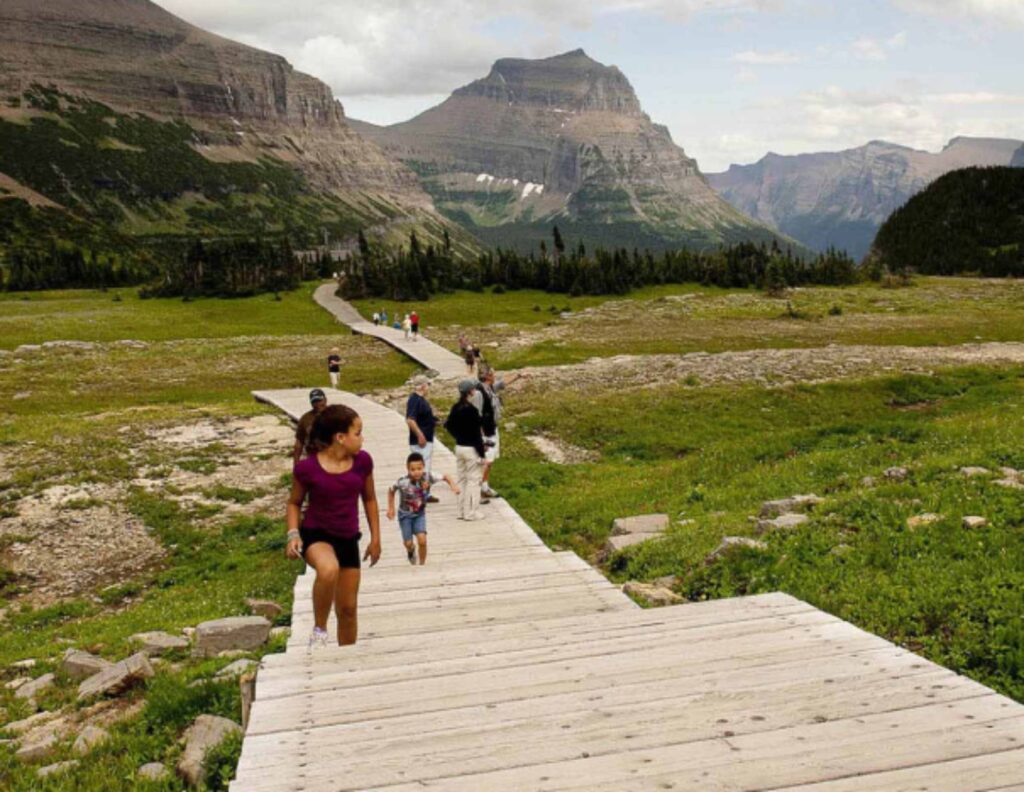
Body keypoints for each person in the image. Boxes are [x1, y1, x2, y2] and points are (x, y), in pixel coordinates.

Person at [285, 404, 381, 648]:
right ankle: (319, 630)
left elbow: (369, 499)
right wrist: (293, 534)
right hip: (316, 535)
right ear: (340, 437)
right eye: (357, 433)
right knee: (328, 570)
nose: (362, 439)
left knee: (348, 609)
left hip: (348, 538)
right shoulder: (307, 469)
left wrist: (375, 538)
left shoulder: (362, 462)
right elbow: (294, 503)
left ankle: (345, 658)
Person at [386, 452, 459, 565]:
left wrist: (453, 485)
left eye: (419, 468)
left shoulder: (428, 476)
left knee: (422, 540)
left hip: (419, 515)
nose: (416, 472)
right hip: (405, 515)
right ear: (408, 469)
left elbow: (446, 476)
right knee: (408, 543)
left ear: (423, 467)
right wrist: (391, 508)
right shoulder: (402, 481)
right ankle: (411, 551)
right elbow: (391, 490)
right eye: (413, 469)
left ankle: (422, 564)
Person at [471, 365, 523, 500]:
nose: (495, 376)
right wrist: (481, 437)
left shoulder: (490, 388)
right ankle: (479, 489)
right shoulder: (479, 393)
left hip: (492, 428)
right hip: (486, 432)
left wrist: (517, 376)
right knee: (485, 461)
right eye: (493, 374)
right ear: (487, 376)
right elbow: (476, 415)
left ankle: (485, 486)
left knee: (490, 460)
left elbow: (502, 384)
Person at [444, 379, 487, 521]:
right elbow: (476, 435)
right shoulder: (472, 411)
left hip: (459, 447)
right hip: (471, 449)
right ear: (471, 392)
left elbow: (448, 424)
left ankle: (461, 511)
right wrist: (482, 453)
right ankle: (471, 512)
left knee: (462, 479)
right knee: (474, 481)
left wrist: (457, 435)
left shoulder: (455, 407)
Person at [293, 388, 328, 464]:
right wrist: (296, 465)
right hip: (314, 459)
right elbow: (299, 442)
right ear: (311, 403)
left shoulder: (336, 414)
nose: (318, 404)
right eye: (314, 402)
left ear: (325, 400)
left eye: (319, 400)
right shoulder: (305, 419)